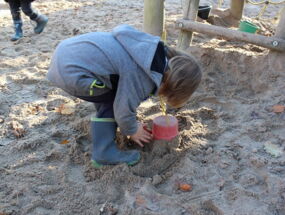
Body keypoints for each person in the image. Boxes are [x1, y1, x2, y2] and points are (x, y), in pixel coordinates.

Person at [47, 24, 202, 167]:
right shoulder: (143, 76)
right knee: (114, 101)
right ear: (173, 87)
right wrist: (133, 129)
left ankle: (104, 123)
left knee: (110, 90)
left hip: (66, 53)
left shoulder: (149, 51)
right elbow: (123, 109)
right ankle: (104, 153)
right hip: (72, 73)